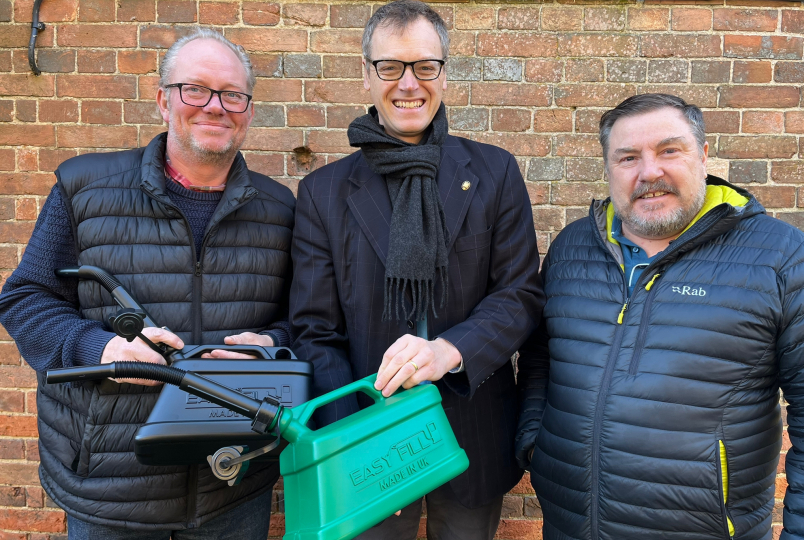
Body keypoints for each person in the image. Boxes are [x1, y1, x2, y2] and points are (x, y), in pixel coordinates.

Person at [0, 28, 295, 539]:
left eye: (232, 94)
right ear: (163, 100)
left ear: (248, 110)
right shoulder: (83, 188)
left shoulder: (283, 211)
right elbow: (26, 299)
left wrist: (272, 345)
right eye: (195, 89)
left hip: (232, 481)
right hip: (109, 486)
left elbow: (305, 321)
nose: (215, 106)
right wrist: (103, 348)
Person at [516, 92, 804, 540]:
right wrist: (536, 440)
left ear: (702, 155)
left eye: (669, 150)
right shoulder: (572, 248)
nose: (650, 172)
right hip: (571, 524)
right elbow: (541, 355)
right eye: (628, 158)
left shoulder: (783, 258)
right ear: (608, 169)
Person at [289, 1, 544, 538]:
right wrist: (361, 433)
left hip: (471, 430)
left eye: (425, 66)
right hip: (367, 443)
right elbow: (315, 329)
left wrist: (447, 352)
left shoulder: (494, 172)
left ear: (444, 76)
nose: (409, 84)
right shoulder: (324, 192)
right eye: (391, 67)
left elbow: (519, 295)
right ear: (366, 76)